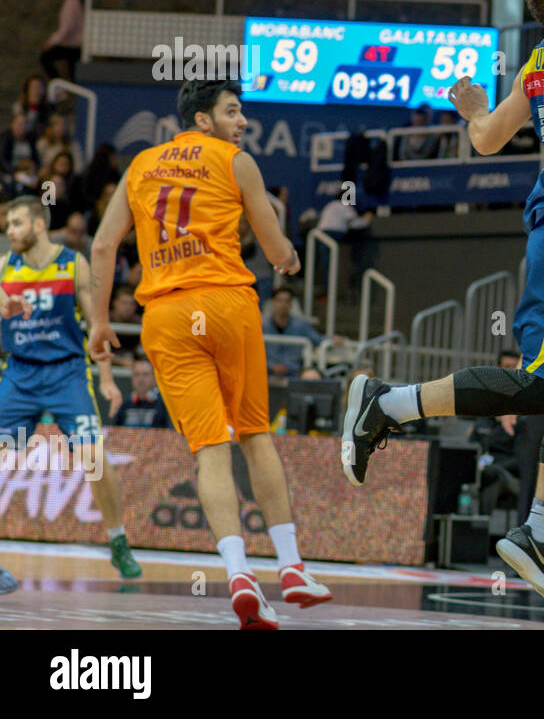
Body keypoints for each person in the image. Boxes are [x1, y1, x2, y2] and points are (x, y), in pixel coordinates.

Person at [340, 0, 544, 612]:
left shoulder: (538, 59)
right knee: (541, 383)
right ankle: (387, 402)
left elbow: (488, 139)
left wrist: (475, 108)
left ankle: (539, 533)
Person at [88, 78, 332, 629]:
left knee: (209, 451)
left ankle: (239, 576)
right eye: (233, 111)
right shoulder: (235, 161)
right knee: (255, 435)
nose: (242, 121)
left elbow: (103, 246)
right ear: (203, 119)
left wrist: (101, 322)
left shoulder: (139, 167)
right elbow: (276, 250)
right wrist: (290, 257)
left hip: (166, 317)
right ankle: (291, 568)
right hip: (225, 305)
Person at [0, 196, 139, 580]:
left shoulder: (71, 264)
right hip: (20, 375)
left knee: (93, 458)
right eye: (7, 224)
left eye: (16, 223)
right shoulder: (4, 268)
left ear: (38, 225)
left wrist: (107, 379)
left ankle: (118, 542)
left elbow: (97, 327)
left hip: (67, 375)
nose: (8, 231)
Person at [264, 286, 336, 377]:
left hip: (293, 375)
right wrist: (271, 366)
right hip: (266, 374)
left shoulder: (300, 325)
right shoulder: (262, 324)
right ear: (273, 302)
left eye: (287, 301)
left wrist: (333, 340)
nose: (283, 304)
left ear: (291, 304)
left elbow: (318, 339)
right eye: (280, 300)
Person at [40, 0, 84, 82]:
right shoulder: (74, 1)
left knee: (45, 57)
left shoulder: (71, 2)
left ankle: (59, 86)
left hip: (72, 45)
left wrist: (52, 42)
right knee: (73, 73)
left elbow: (67, 27)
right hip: (74, 44)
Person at [110, 358, 172, 429]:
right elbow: (114, 431)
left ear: (155, 377)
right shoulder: (125, 404)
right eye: (136, 374)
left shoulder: (165, 404)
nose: (140, 379)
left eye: (145, 374)